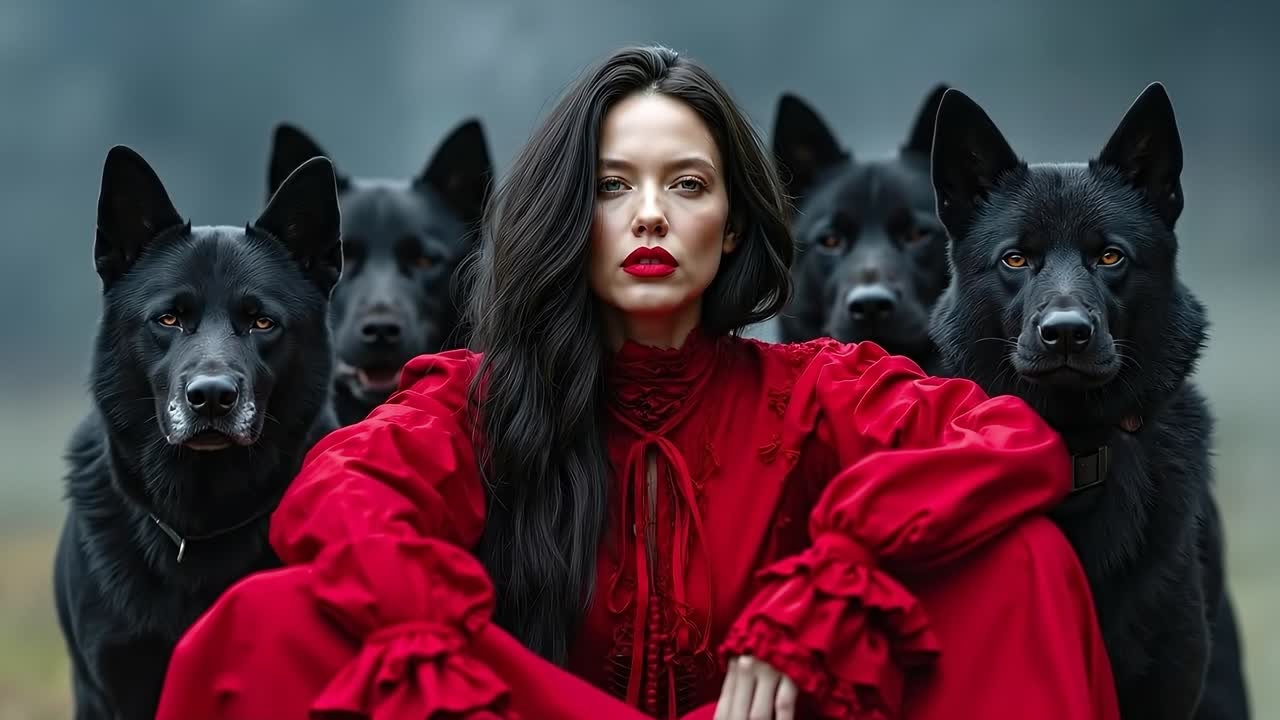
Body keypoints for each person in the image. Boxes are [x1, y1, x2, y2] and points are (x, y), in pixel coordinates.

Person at [155, 46, 1120, 720]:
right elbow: (338, 493)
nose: (651, 215)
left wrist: (837, 578)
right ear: (567, 217)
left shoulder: (821, 391)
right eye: (615, 185)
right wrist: (446, 640)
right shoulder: (476, 402)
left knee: (1021, 560)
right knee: (267, 620)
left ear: (734, 226)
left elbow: (1011, 444)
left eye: (689, 185)